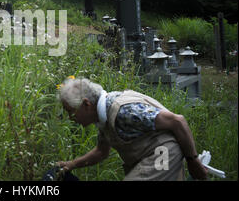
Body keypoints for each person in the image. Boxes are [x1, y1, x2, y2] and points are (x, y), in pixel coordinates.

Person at [57, 78, 208, 181]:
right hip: (153, 156)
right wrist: (72, 164)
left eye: (71, 111)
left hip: (164, 154)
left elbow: (177, 121)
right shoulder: (103, 117)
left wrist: (193, 160)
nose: (71, 118)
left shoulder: (124, 112)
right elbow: (101, 152)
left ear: (86, 104)